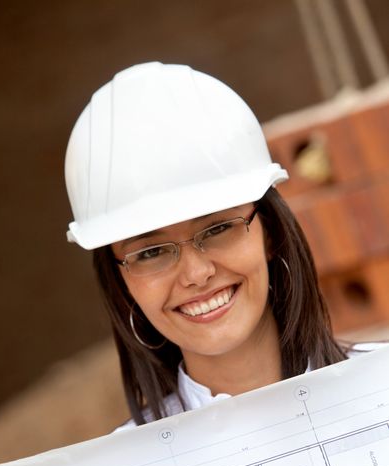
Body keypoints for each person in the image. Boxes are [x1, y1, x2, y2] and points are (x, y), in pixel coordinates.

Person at [64, 61, 361, 429]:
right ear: (121, 281)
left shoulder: (382, 389)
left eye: (218, 229)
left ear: (269, 232)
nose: (196, 274)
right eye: (151, 252)